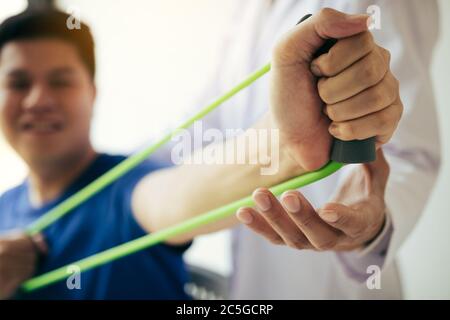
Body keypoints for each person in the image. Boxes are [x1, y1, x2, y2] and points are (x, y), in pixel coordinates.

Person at [0, 8, 402, 299]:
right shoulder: (4, 209)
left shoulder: (129, 189)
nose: (38, 99)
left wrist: (286, 144)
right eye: (17, 83)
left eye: (61, 81)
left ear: (92, 93)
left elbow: (180, 194)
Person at [153, 0, 441, 299]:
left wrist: (373, 222)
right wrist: (116, 172)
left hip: (332, 281)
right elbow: (204, 124)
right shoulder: (247, 10)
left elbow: (410, 152)